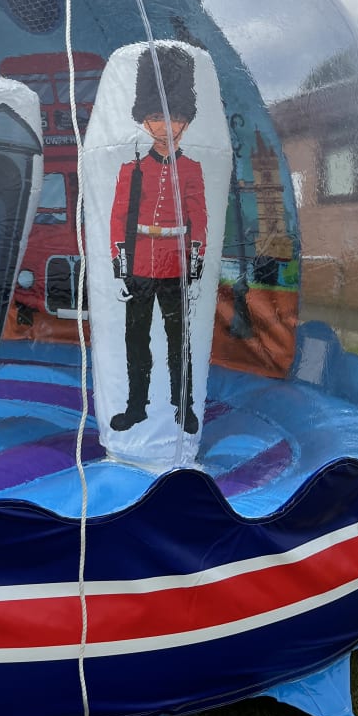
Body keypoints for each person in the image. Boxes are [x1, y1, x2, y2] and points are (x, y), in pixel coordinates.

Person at [109, 46, 206, 435]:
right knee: (136, 340)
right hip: (139, 264)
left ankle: (184, 406)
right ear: (145, 123)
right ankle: (136, 406)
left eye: (175, 119)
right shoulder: (130, 169)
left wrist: (195, 260)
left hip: (175, 263)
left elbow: (198, 217)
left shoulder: (192, 169)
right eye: (156, 119)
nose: (166, 127)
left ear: (185, 123)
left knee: (178, 341)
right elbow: (119, 218)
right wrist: (120, 263)